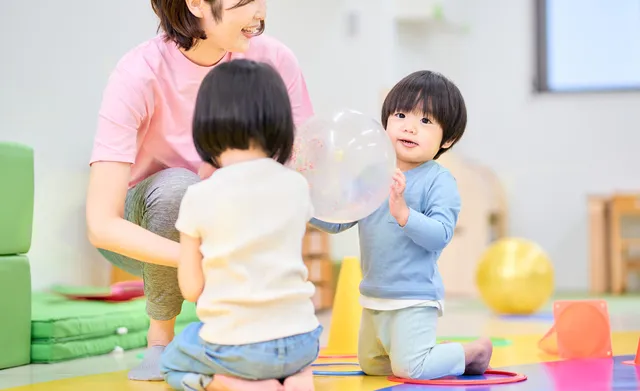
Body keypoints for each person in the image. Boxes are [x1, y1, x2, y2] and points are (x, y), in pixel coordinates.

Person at [85, 0, 314, 382]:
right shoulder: (138, 73)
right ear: (195, 3)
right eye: (246, 1)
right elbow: (101, 225)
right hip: (149, 225)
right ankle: (160, 339)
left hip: (234, 225)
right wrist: (208, 257)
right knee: (179, 188)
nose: (261, 11)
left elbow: (302, 163)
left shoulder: (274, 61)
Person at [309, 70, 493, 380]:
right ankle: (430, 352)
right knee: (372, 365)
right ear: (385, 122)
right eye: (401, 114)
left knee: (411, 368)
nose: (409, 126)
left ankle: (467, 353)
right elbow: (341, 221)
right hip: (374, 294)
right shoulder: (372, 173)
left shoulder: (439, 180)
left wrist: (404, 214)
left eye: (425, 121)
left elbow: (441, 235)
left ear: (447, 138)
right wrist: (306, 205)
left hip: (413, 297)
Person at [160, 58, 321, 391]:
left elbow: (191, 288)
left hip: (237, 347)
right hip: (304, 340)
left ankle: (239, 385)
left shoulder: (199, 196)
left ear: (207, 123)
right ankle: (298, 377)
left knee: (172, 361)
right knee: (285, 349)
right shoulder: (297, 186)